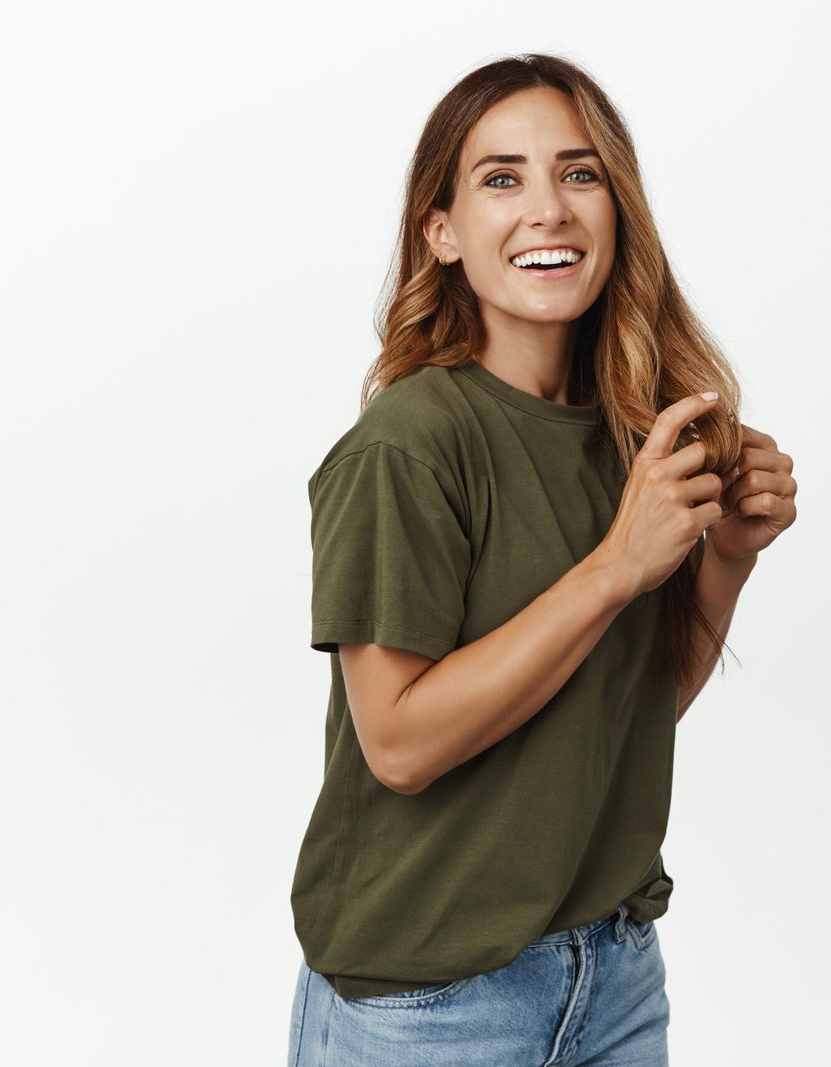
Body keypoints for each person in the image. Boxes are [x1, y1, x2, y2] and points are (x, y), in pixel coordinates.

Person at [284, 53, 799, 1066]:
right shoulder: (410, 444)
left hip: (610, 976)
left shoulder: (630, 437)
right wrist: (616, 563)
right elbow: (397, 742)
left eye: (579, 172)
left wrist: (725, 558)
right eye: (501, 178)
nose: (548, 211)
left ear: (617, 206)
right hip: (432, 1004)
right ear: (441, 232)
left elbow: (623, 706)